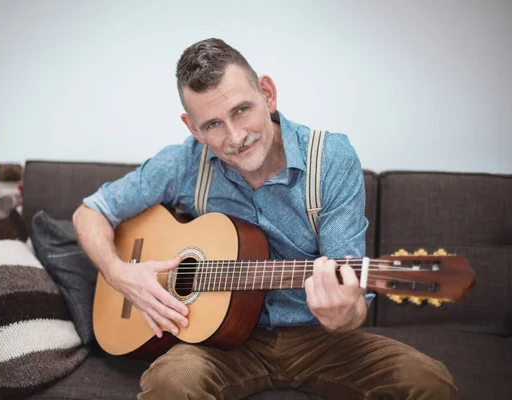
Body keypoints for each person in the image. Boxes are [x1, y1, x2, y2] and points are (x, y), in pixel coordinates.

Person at [73, 38, 456, 400]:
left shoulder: (330, 159)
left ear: (267, 94)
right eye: (213, 124)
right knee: (168, 382)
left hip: (320, 338)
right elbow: (91, 211)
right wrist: (120, 274)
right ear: (194, 129)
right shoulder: (183, 163)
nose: (236, 136)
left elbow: (350, 298)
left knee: (429, 382)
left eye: (241, 110)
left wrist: (345, 312)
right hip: (220, 345)